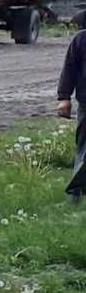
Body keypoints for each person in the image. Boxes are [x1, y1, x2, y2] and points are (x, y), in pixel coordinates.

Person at [57, 11, 86, 202]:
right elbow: (69, 69)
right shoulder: (81, 40)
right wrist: (64, 98)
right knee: (84, 148)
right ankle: (75, 192)